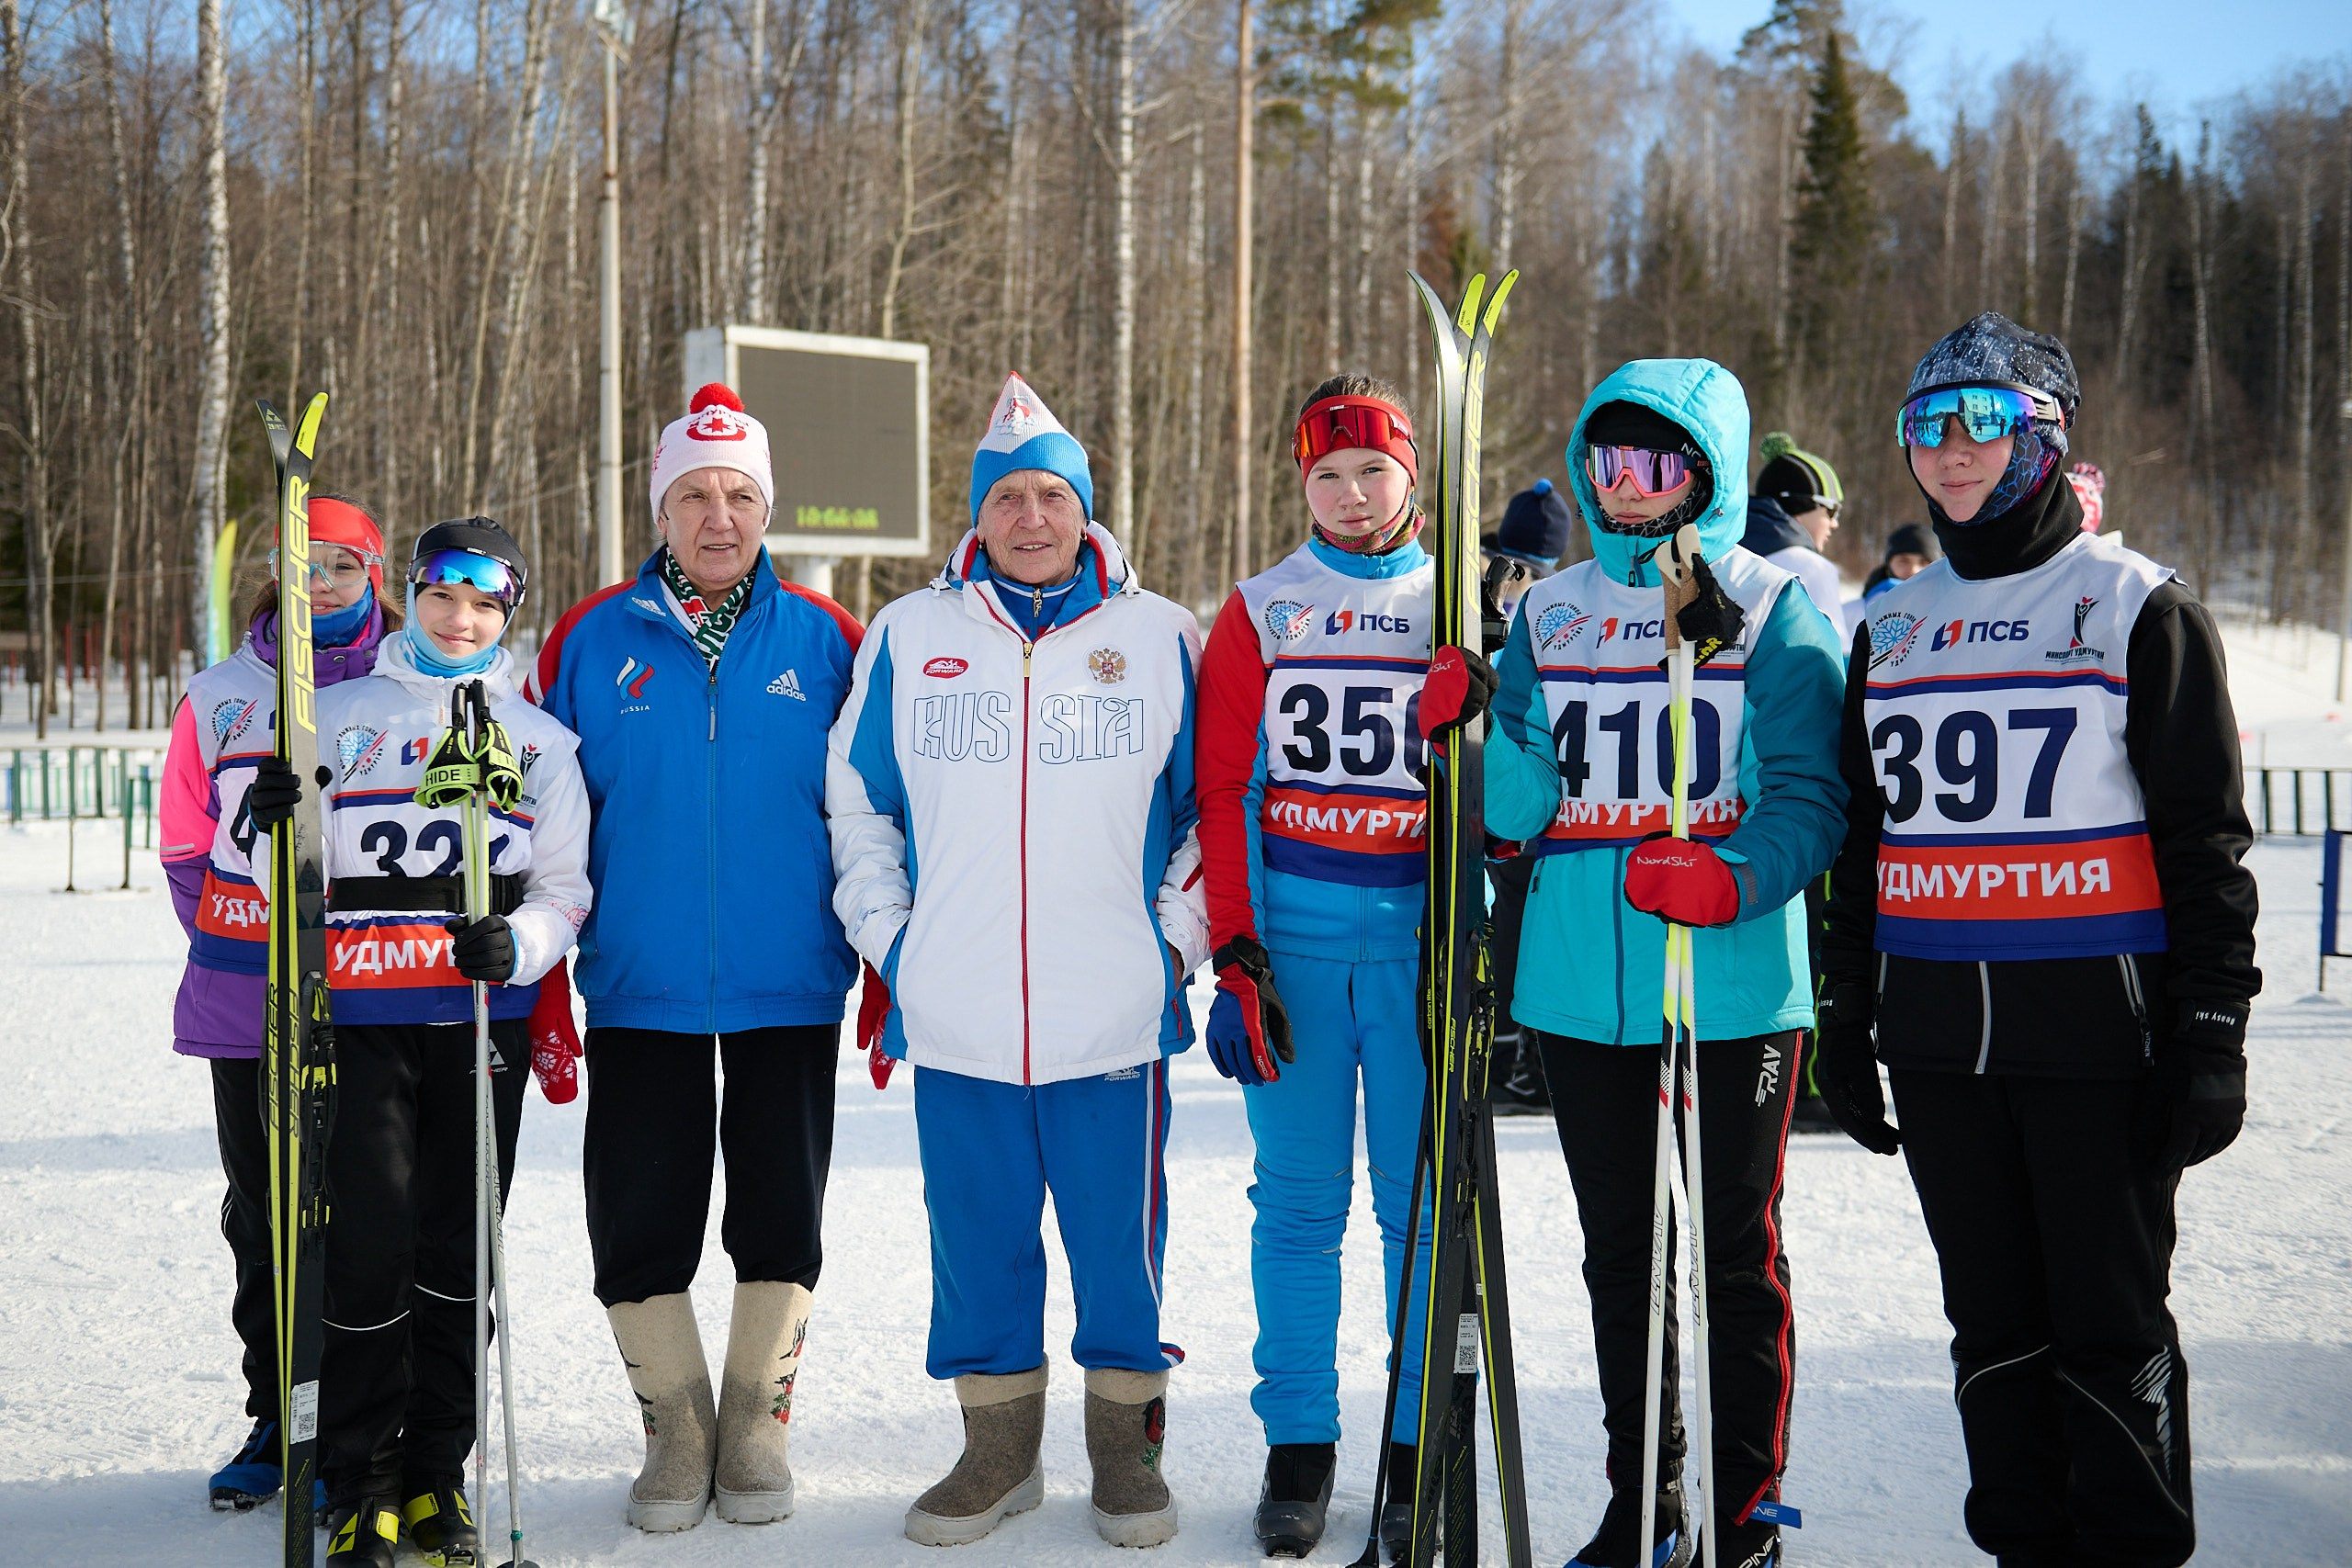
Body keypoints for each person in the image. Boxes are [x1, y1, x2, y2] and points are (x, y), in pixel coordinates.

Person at [1816, 312, 2260, 1568]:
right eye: (1925, 427)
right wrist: (1845, 1013)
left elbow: (2205, 844)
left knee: (2107, 1325)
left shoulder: (2135, 604)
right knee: (1992, 1326)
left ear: (2047, 438)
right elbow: (1862, 843)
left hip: (2097, 1041)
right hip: (1941, 1046)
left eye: (1985, 422)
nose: (1951, 451)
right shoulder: (1891, 626)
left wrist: (2211, 1031)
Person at [827, 373, 1209, 1551]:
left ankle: (1125, 1454)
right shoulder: (911, 633)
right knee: (976, 1240)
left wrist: (1171, 942)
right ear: (977, 513)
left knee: (1118, 1248)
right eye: (1007, 499)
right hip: (957, 1012)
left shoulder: (1159, 636)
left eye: (1051, 496)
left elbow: (1206, 810)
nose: (1030, 518)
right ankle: (997, 1456)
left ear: (1085, 508)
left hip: (1112, 1013)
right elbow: (858, 801)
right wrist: (895, 942)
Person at [1486, 361, 1848, 1568]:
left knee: (1734, 1253)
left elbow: (1812, 798)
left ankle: (1747, 1508)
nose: (1626, 487)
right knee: (1623, 1260)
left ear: (1708, 470)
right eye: (1607, 462)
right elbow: (1523, 808)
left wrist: (1732, 877)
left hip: (1729, 985)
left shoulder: (1769, 604)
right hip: (1582, 985)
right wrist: (1472, 733)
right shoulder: (1551, 611)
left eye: (1655, 463)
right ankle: (1644, 1495)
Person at [526, 382, 865, 1533]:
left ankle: (757, 1423)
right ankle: (674, 1429)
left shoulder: (829, 639)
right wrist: (541, 973)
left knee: (781, 1209)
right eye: (694, 496)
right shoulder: (588, 638)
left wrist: (884, 955)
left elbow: (880, 809)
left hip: (790, 977)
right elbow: (535, 814)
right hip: (641, 979)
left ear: (767, 509)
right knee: (639, 1214)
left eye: (739, 496)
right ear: (660, 510)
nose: (719, 518)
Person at [246, 516, 590, 1568]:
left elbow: (565, 889)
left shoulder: (539, 741)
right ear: (413, 591)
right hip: (361, 1020)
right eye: (443, 594)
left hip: (476, 1022)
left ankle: (438, 1473)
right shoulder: (337, 714)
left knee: (457, 1253)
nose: (460, 619)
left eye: (486, 603)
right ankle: (361, 1479)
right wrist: (269, 823)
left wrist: (519, 944)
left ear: (509, 613)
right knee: (368, 1250)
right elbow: (274, 878)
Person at [1194, 374, 1495, 1558]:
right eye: (1327, 474)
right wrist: (1236, 954)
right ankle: (1300, 1445)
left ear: (1412, 473)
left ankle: (1414, 1444)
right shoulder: (1263, 608)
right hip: (1299, 952)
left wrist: (1479, 711)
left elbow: (1511, 798)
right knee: (1298, 1204)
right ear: (1302, 483)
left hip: (1421, 952)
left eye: (1374, 470)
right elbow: (1225, 788)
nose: (1352, 493)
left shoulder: (1457, 601)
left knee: (1417, 1215)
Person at [161, 496, 392, 1513]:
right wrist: (245, 935)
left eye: (343, 564)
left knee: (369, 1212)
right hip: (246, 997)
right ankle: (279, 1411)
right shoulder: (219, 697)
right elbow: (183, 847)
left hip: (376, 995)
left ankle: (371, 1423)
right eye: (305, 563)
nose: (321, 582)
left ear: (374, 575)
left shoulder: (403, 684)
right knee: (263, 1212)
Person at [1482, 478, 1576, 1116]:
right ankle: (1517, 1056)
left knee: (1509, 922)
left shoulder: (1495, 594)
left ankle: (1512, 1054)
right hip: (1519, 786)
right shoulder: (1553, 602)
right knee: (1519, 922)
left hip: (1509, 784)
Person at [1745, 432, 1849, 639]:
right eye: (1831, 510)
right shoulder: (1813, 569)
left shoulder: (1726, 555)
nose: (1834, 523)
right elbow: (1835, 651)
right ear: (1799, 505)